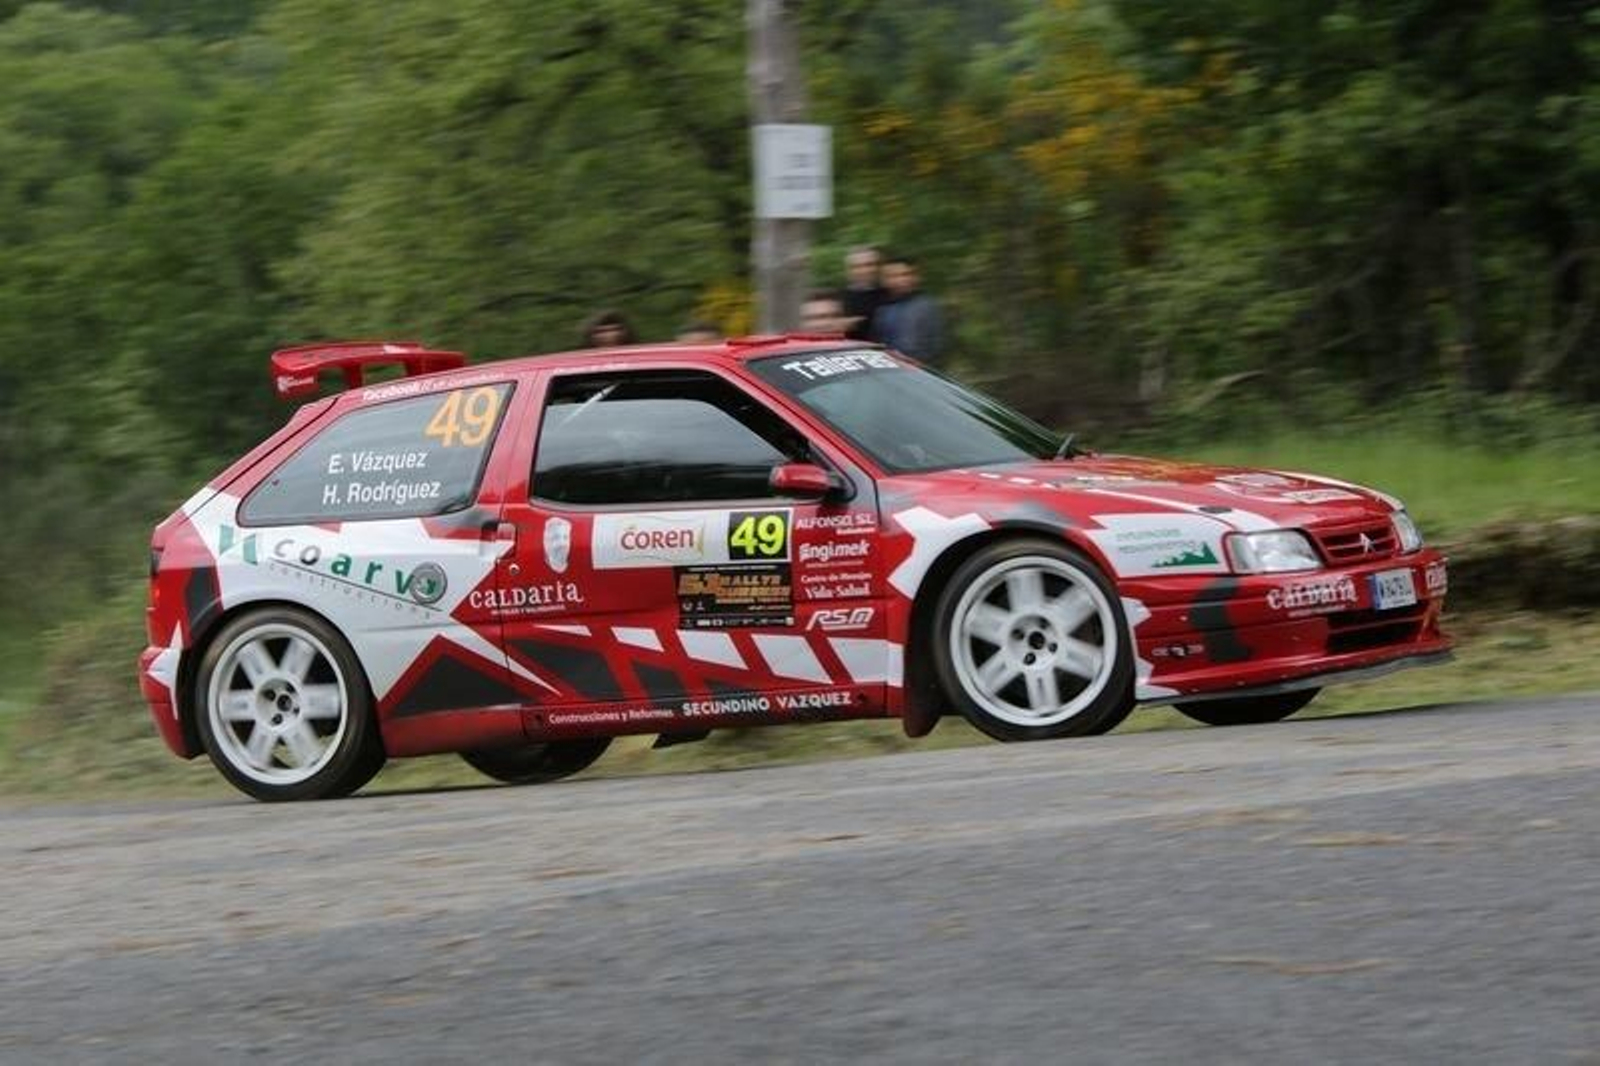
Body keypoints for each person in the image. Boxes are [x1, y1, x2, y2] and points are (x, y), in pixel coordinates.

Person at [873, 254, 942, 364]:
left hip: (917, 372)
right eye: (893, 276)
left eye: (905, 274)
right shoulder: (883, 309)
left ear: (915, 277)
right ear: (885, 280)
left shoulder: (926, 306)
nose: (901, 280)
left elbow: (936, 346)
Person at [841, 245, 885, 342]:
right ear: (848, 270)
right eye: (857, 266)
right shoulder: (837, 300)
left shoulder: (890, 295)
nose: (864, 270)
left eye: (869, 264)